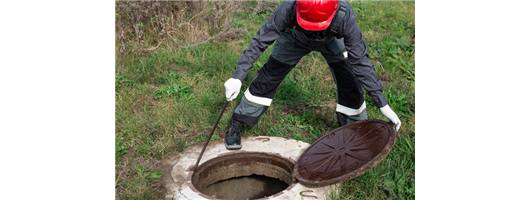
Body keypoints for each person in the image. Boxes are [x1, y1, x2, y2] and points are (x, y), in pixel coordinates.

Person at [223, 0, 401, 150]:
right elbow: (260, 41)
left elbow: (360, 61)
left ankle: (353, 130)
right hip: (294, 38)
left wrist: (382, 103)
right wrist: (237, 77)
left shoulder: (345, 15)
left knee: (350, 79)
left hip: (332, 39)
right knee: (269, 75)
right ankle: (238, 121)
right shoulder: (288, 8)